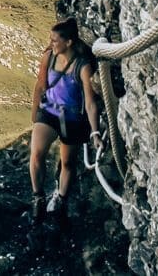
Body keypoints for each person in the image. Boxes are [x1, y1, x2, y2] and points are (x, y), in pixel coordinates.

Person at [29, 17, 101, 223]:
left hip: (72, 119)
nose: (51, 44)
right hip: (49, 112)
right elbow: (40, 85)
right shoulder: (49, 57)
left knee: (68, 163)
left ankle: (61, 199)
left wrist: (95, 132)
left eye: (55, 40)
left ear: (68, 42)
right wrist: (35, 113)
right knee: (36, 154)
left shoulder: (83, 67)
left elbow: (90, 103)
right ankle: (38, 197)